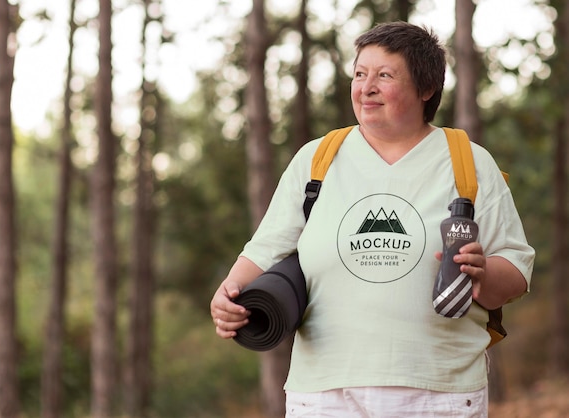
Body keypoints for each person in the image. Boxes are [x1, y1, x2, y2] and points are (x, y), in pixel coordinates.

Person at [210, 21, 535, 417]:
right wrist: (228, 294)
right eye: (360, 74)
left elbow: (516, 270)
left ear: (426, 88)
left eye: (385, 75)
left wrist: (483, 274)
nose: (367, 87)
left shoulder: (467, 161)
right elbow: (266, 248)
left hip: (439, 393)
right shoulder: (317, 160)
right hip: (325, 394)